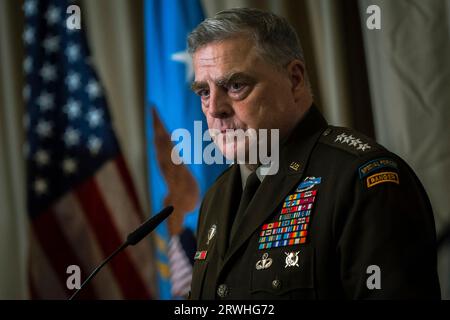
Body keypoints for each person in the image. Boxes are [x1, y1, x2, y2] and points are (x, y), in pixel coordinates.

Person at [187, 8, 441, 299]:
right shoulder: (217, 196)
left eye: (235, 85)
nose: (214, 108)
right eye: (203, 92)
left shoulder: (362, 180)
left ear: (294, 80)